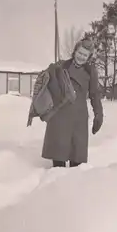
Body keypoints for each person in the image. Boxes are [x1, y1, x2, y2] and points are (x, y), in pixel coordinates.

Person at [42, 38, 103, 168]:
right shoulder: (62, 66)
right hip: (59, 116)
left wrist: (99, 114)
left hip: (78, 119)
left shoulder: (90, 72)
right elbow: (47, 86)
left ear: (89, 57)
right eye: (80, 53)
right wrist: (52, 72)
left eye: (85, 55)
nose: (81, 57)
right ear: (75, 51)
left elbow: (95, 94)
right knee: (58, 160)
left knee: (76, 161)